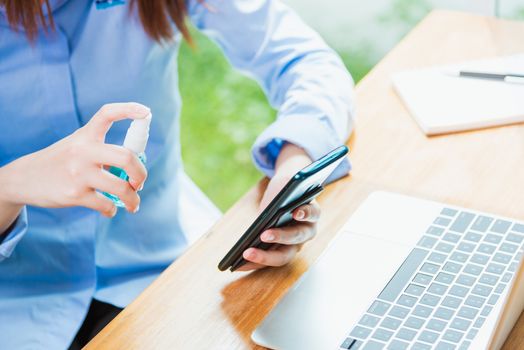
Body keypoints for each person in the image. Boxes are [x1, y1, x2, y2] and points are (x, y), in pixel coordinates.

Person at [0, 0, 355, 348]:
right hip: (15, 308)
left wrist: (294, 162)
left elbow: (306, 62)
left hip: (161, 270)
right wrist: (10, 186)